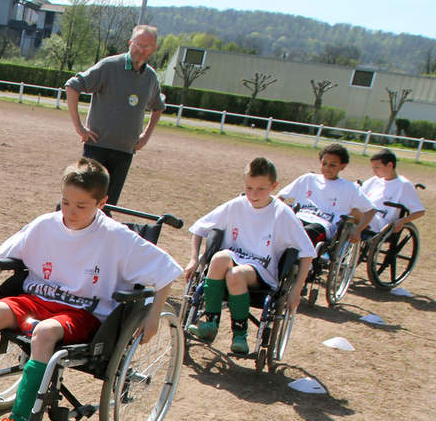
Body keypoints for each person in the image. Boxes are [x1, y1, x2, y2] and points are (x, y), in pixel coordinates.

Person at [0, 158, 182, 421]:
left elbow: (166, 271)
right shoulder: (46, 224)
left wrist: (152, 315)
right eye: (65, 202)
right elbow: (6, 253)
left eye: (81, 206)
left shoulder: (117, 237)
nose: (71, 212)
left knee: (44, 332)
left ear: (102, 203)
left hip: (83, 312)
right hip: (37, 300)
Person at [184, 157, 315, 354]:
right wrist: (194, 258)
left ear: (274, 186)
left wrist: (297, 288)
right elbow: (199, 229)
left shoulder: (282, 213)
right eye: (249, 188)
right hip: (231, 262)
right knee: (219, 258)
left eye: (261, 189)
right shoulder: (236, 205)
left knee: (235, 275)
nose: (254, 195)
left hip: (261, 271)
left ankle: (240, 335)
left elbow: (307, 253)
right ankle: (210, 325)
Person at [64, 25, 165, 206]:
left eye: (146, 46)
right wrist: (79, 127)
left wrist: (146, 136)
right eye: (138, 44)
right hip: (97, 147)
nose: (141, 50)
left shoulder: (150, 78)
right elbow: (73, 86)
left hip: (125, 152)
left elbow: (158, 107)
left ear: (154, 48)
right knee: (82, 200)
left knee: (106, 206)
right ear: (130, 43)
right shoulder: (109, 66)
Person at [276, 143, 373, 245]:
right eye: (324, 163)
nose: (327, 167)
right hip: (299, 218)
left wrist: (358, 230)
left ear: (342, 166)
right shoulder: (308, 179)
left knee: (308, 232)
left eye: (332, 165)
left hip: (323, 225)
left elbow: (370, 210)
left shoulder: (350, 188)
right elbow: (280, 197)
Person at [360, 148, 426, 237]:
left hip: (381, 223)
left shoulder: (403, 185)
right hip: (366, 215)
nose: (374, 171)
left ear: (390, 165)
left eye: (377, 168)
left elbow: (420, 211)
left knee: (355, 214)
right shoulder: (374, 180)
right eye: (373, 168)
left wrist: (402, 221)